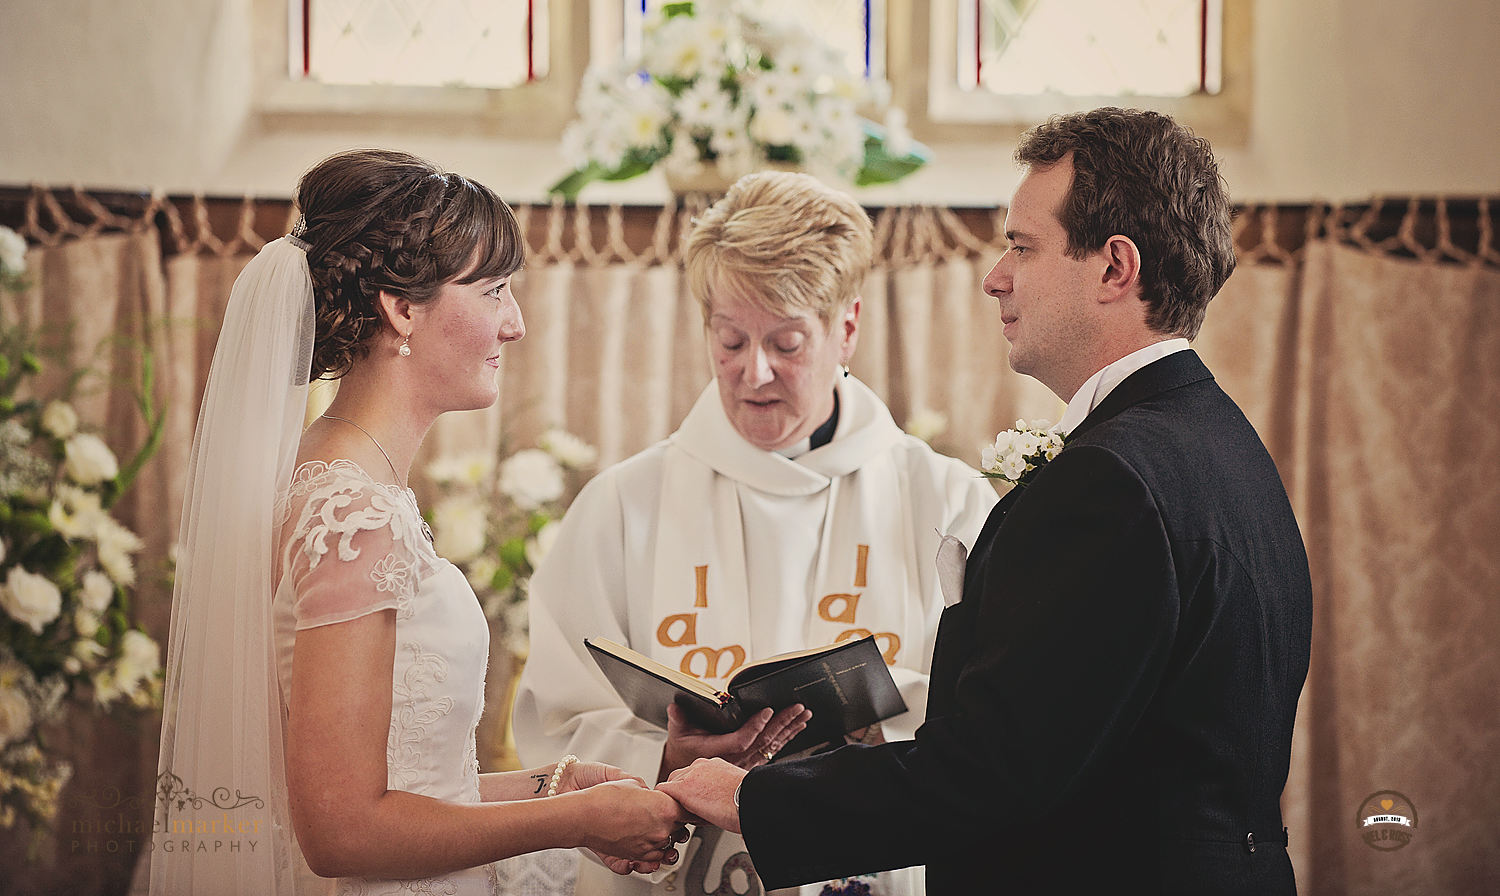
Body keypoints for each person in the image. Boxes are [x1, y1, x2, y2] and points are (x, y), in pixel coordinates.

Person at [659, 108, 1315, 895]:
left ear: (1114, 268)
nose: (994, 275)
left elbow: (1002, 767)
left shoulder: (1113, 480)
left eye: (1022, 246)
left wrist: (752, 799)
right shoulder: (1222, 444)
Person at [152, 149, 686, 895]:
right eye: (495, 290)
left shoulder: (337, 481)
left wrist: (558, 788)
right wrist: (577, 821)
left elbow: (411, 788)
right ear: (402, 308)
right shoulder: (354, 517)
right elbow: (343, 831)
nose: (516, 324)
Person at [513, 170, 999, 896]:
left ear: (848, 329)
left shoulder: (946, 501)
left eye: (787, 342)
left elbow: (995, 725)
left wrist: (857, 742)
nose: (754, 372)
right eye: (730, 339)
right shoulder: (622, 506)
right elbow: (556, 721)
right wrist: (667, 758)